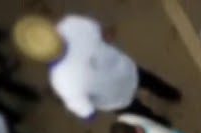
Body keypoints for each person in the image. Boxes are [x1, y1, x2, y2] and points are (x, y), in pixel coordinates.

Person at [12, 14, 179, 121]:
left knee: (141, 114)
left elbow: (88, 113)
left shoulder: (62, 82)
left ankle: (163, 123)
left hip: (115, 99)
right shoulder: (71, 25)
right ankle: (173, 94)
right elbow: (104, 34)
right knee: (153, 82)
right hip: (127, 69)